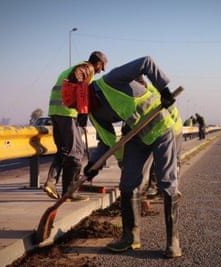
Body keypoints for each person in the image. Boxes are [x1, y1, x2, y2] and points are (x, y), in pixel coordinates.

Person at [63, 56, 182, 258]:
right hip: (135, 135)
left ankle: (173, 241)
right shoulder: (93, 113)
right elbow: (106, 141)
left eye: (78, 106)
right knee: (128, 184)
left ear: (84, 96)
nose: (79, 110)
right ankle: (130, 237)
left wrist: (164, 91)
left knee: (166, 181)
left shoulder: (112, 80)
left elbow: (146, 62)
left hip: (159, 127)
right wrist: (93, 165)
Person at [43, 51, 108, 202]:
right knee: (77, 151)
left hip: (55, 112)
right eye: (101, 67)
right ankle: (70, 192)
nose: (99, 71)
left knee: (65, 150)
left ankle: (51, 183)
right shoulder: (86, 68)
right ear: (98, 63)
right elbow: (78, 80)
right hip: (67, 112)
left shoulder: (72, 68)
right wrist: (83, 112)